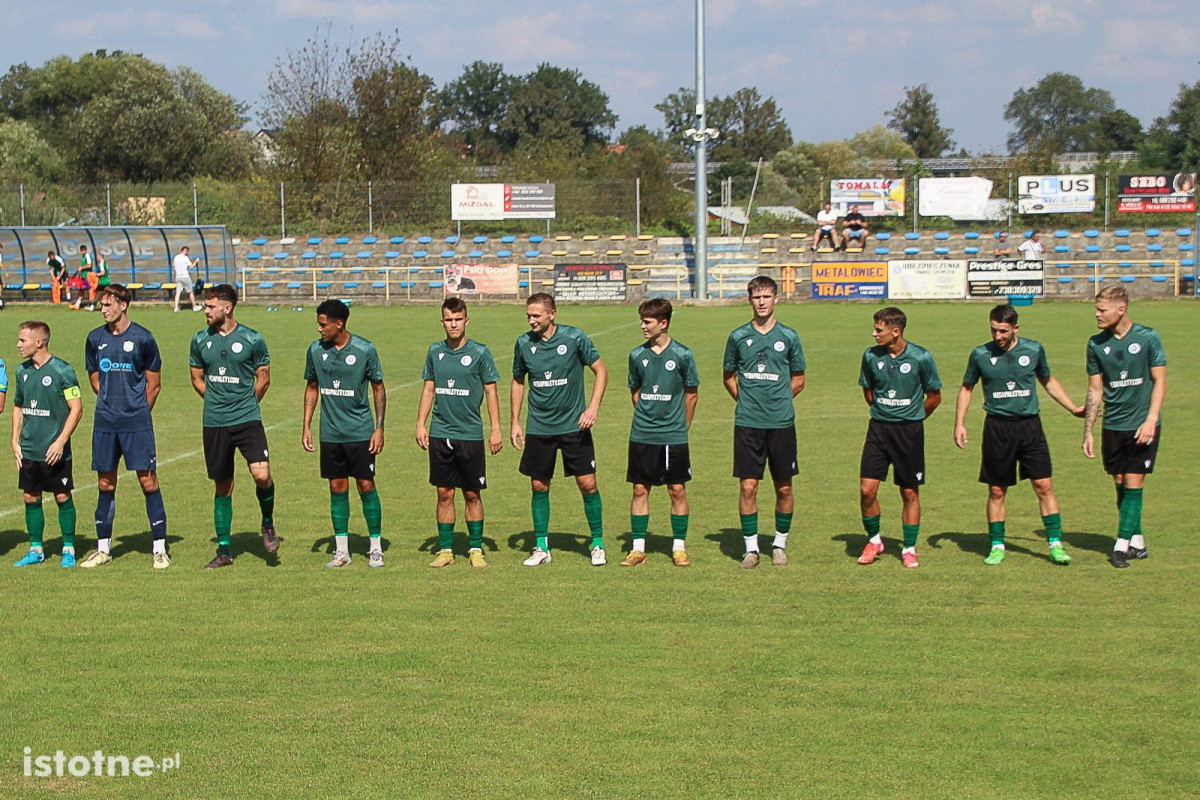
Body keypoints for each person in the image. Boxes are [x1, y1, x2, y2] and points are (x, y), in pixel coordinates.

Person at [953, 304, 1083, 565]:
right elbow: (967, 388)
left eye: (1003, 331)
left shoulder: (1033, 349)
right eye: (993, 330)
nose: (998, 336)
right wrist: (960, 423)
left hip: (1030, 427)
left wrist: (1073, 408)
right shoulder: (980, 354)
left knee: (1044, 486)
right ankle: (997, 545)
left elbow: (1047, 380)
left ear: (1015, 328)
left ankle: (1055, 544)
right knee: (997, 490)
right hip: (997, 428)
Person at [510, 292, 609, 566]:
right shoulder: (523, 343)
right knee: (539, 484)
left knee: (587, 483)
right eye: (528, 316)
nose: (531, 321)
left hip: (573, 425)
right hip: (540, 428)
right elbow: (518, 381)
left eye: (536, 316)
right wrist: (515, 421)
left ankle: (597, 543)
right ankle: (541, 546)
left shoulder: (574, 338)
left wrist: (593, 408)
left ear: (553, 314)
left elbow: (601, 370)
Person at [78, 285, 170, 569]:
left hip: (137, 423)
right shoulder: (94, 338)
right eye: (101, 305)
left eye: (108, 304)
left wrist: (137, 411)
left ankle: (159, 549)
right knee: (105, 483)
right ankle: (103, 549)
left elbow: (153, 385)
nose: (103, 310)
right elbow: (95, 378)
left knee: (148, 481)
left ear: (124, 304)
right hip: (105, 422)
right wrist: (111, 402)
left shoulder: (143, 338)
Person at [189, 284, 277, 568]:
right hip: (215, 422)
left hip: (247, 419)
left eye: (210, 306)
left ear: (227, 308)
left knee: (262, 475)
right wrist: (216, 401)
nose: (206, 310)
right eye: (205, 306)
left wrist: (245, 404)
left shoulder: (253, 339)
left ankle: (267, 522)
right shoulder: (200, 340)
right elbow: (196, 378)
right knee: (223, 485)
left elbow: (263, 378)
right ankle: (224, 550)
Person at [722, 275, 806, 569]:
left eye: (766, 296)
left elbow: (799, 379)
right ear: (750, 300)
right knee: (748, 487)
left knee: (783, 487)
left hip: (781, 423)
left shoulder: (789, 337)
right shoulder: (737, 337)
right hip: (748, 423)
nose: (761, 302)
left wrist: (780, 400)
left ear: (776, 299)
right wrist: (746, 402)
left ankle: (779, 544)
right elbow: (728, 377)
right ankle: (751, 549)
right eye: (756, 297)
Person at [1082, 286, 1167, 569]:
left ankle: (1120, 546)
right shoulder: (1095, 344)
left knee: (1134, 480)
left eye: (1102, 310)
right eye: (1096, 309)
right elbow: (1095, 391)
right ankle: (1138, 540)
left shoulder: (1147, 337)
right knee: (1120, 481)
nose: (1097, 315)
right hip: (1113, 425)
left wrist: (1151, 420)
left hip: (1141, 424)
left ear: (1121, 309)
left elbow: (1160, 381)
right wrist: (1089, 432)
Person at [414, 298, 502, 568]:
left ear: (466, 321)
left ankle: (475, 549)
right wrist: (420, 423)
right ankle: (446, 550)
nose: (453, 324)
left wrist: (496, 428)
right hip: (441, 432)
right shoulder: (434, 351)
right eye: (448, 320)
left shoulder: (480, 352)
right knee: (444, 492)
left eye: (458, 319)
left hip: (470, 434)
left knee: (472, 493)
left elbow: (490, 391)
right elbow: (429, 388)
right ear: (442, 322)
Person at [303, 299, 387, 568]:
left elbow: (378, 388)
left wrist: (379, 427)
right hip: (331, 434)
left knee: (366, 485)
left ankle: (375, 548)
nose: (319, 329)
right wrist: (306, 425)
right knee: (337, 487)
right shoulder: (316, 350)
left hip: (360, 432)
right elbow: (312, 387)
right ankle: (342, 552)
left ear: (339, 324)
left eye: (323, 324)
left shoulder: (365, 349)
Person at [857, 307, 941, 569]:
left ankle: (909, 548)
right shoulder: (871, 356)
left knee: (909, 492)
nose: (874, 334)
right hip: (878, 430)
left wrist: (913, 417)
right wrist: (884, 412)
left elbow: (934, 397)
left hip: (909, 432)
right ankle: (874, 541)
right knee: (867, 490)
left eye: (879, 330)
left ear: (896, 332)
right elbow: (868, 391)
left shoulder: (921, 357)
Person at [622, 298, 699, 567]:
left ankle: (678, 547)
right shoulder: (636, 355)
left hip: (673, 436)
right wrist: (647, 414)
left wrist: (681, 425)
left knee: (676, 489)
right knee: (640, 489)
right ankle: (637, 549)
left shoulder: (682, 355)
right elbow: (635, 390)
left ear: (663, 323)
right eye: (642, 321)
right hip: (642, 434)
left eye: (647, 322)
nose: (642, 326)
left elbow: (691, 395)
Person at [11, 321, 83, 568]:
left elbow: (77, 409)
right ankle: (36, 549)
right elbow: (18, 406)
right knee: (31, 497)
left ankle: (69, 549)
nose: (18, 344)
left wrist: (61, 441)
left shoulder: (63, 371)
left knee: (62, 496)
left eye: (23, 340)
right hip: (30, 449)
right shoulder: (22, 372)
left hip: (55, 451)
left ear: (39, 342)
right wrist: (14, 441)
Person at [172, 246, 202, 313]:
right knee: (190, 292)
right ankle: (194, 306)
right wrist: (196, 261)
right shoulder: (185, 258)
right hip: (185, 277)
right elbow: (191, 266)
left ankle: (176, 307)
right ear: (185, 251)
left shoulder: (176, 257)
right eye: (187, 252)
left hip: (178, 276)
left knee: (178, 292)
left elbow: (174, 266)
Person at [69, 245, 92, 310]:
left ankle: (91, 304)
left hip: (88, 275)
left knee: (90, 290)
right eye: (81, 250)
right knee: (82, 289)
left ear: (86, 250)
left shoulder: (87, 256)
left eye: (83, 250)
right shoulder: (83, 257)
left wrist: (81, 267)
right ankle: (77, 304)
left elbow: (89, 265)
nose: (82, 252)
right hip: (83, 275)